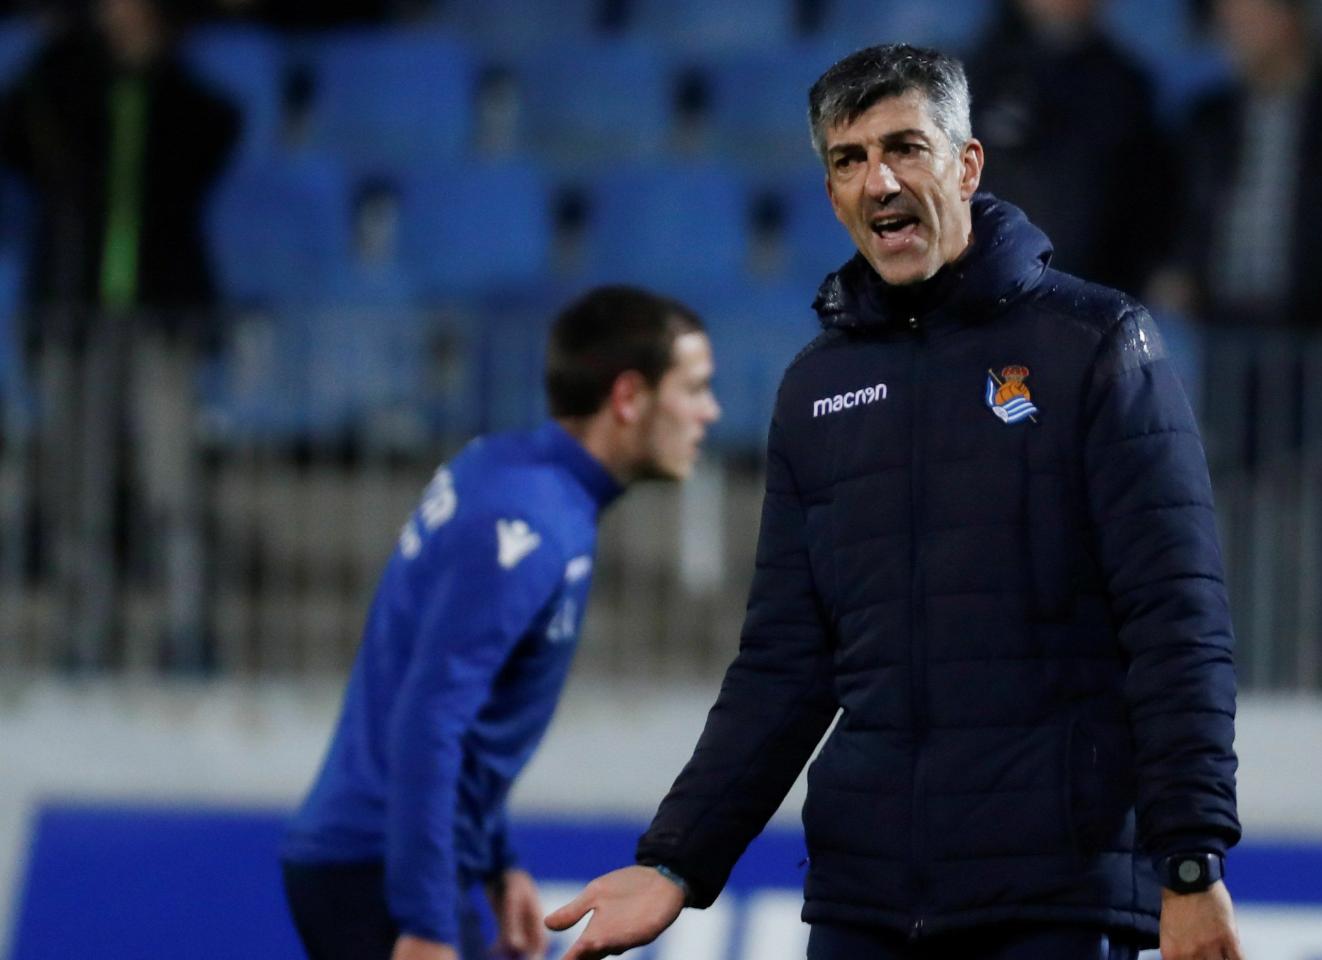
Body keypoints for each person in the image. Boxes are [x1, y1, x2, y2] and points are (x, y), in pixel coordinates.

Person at [548, 45, 1243, 960]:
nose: (878, 181)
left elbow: (1176, 621)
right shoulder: (816, 388)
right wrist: (677, 859)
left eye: (904, 148)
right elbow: (785, 664)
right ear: (831, 192)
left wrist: (1188, 863)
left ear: (967, 163)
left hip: (1051, 900)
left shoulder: (1097, 345)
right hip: (865, 906)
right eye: (849, 160)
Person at [279, 286, 722, 960]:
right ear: (629, 398)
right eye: (693, 387)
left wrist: (493, 860)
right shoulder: (531, 523)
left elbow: (463, 715)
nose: (709, 411)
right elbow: (429, 719)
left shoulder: (510, 471)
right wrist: (427, 926)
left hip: (381, 858)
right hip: (378, 869)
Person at [0, 0, 240, 669]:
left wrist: (149, 64)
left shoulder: (183, 100)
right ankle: (85, 635)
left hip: (161, 316)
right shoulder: (63, 87)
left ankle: (186, 630)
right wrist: (70, 47)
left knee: (175, 485)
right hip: (74, 313)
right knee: (80, 489)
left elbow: (218, 131)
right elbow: (20, 130)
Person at [1150, 0, 1322, 338]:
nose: (1233, 36)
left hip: (1320, 345)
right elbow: (1171, 211)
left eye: (1247, 21)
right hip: (1218, 336)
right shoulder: (1208, 123)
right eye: (1228, 23)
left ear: (1288, 19)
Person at [964, 0, 1177, 296]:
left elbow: (1147, 213)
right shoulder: (970, 78)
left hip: (1090, 308)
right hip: (985, 304)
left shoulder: (1127, 90)